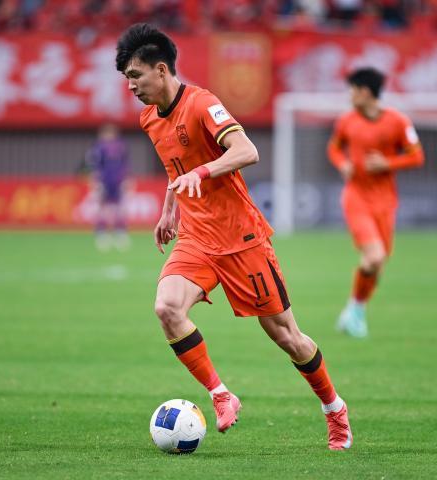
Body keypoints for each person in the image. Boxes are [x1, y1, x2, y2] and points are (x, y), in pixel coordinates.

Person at [116, 23, 352, 450]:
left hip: (241, 240)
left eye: (136, 75)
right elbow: (175, 167)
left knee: (287, 337)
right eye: (127, 78)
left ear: (162, 69)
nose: (131, 86)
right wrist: (169, 210)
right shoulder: (150, 118)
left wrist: (203, 172)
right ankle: (221, 394)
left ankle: (334, 409)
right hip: (196, 238)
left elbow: (247, 151)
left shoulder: (202, 104)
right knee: (167, 308)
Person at [327, 67, 425, 338]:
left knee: (377, 264)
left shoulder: (398, 122)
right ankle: (355, 313)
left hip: (385, 200)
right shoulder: (346, 121)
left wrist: (387, 163)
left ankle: (354, 311)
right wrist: (342, 163)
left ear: (366, 92)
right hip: (356, 197)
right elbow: (334, 148)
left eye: (353, 90)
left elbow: (417, 156)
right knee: (374, 256)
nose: (350, 95)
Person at [84, 123, 130, 251]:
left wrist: (126, 179)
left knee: (119, 208)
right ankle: (101, 233)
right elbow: (94, 165)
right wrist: (95, 180)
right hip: (103, 181)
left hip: (118, 181)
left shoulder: (120, 146)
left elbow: (125, 164)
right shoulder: (98, 147)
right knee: (102, 208)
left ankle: (120, 232)